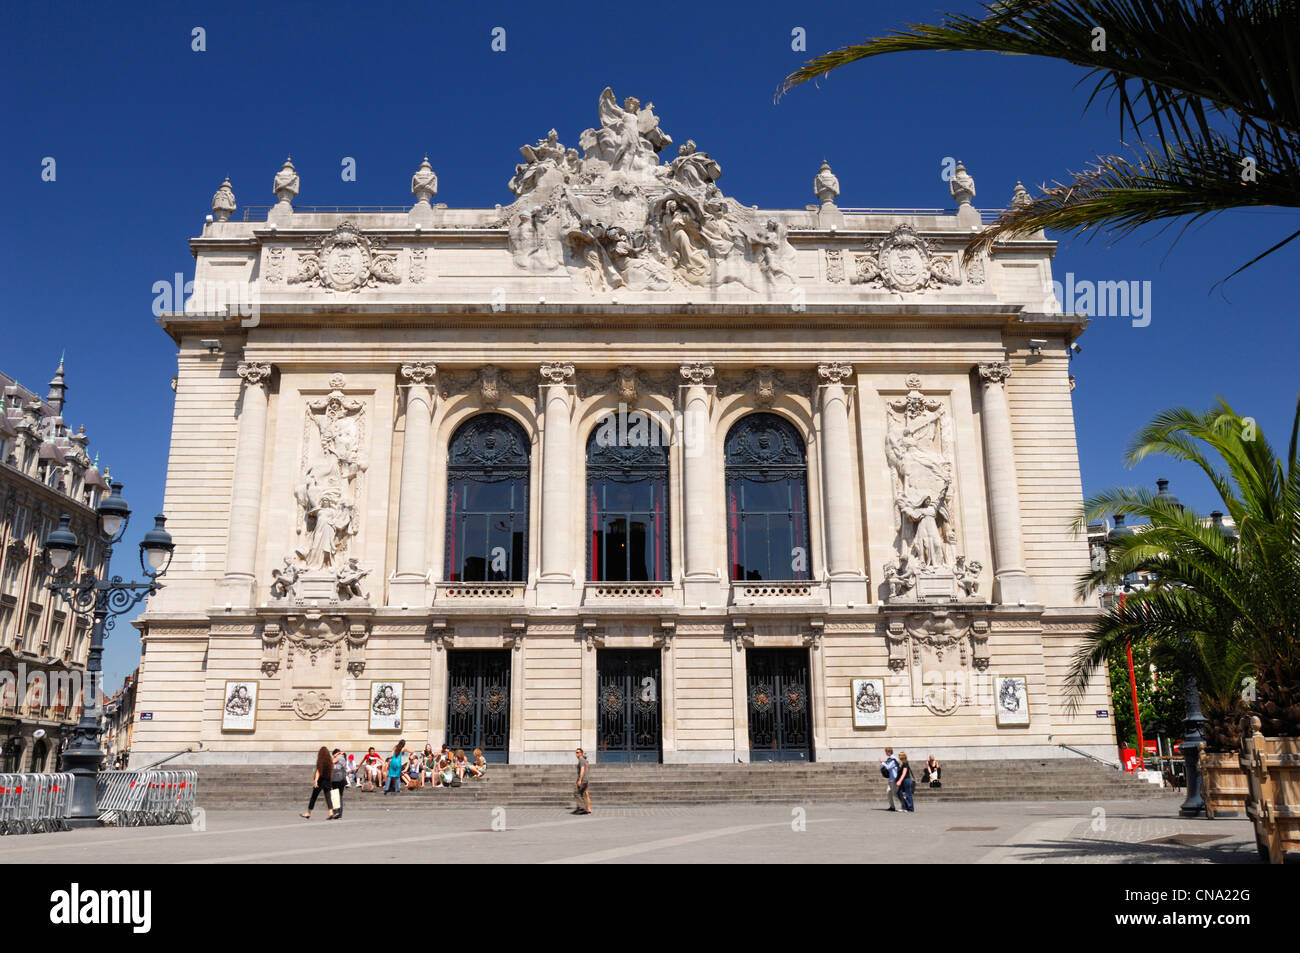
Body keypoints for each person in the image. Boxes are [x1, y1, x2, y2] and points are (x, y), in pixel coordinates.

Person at [301, 746, 334, 819]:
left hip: (320, 781)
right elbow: (331, 772)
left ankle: (308, 813)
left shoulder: (320, 761)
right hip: (328, 781)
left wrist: (316, 781)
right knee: (328, 798)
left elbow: (318, 771)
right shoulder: (330, 761)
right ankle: (330, 812)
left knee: (314, 797)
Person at [329, 748, 347, 819]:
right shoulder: (342, 758)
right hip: (340, 779)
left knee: (336, 796)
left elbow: (330, 762)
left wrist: (335, 756)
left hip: (337, 779)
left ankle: (337, 813)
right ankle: (338, 813)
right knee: (339, 796)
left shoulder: (340, 757)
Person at [573, 747, 591, 815]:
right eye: (576, 752)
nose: (576, 754)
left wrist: (580, 780)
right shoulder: (583, 760)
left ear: (581, 753)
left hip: (583, 779)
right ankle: (585, 809)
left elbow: (582, 770)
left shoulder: (581, 760)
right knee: (583, 794)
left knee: (576, 793)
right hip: (584, 779)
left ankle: (582, 808)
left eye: (578, 752)